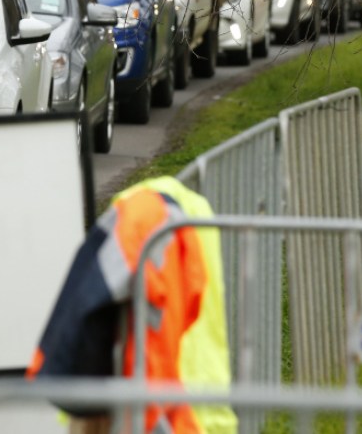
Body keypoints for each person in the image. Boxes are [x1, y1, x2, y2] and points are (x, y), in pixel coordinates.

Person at [27, 176, 236, 434]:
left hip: (141, 406)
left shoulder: (139, 226)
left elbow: (87, 311)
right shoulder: (182, 227)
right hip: (190, 409)